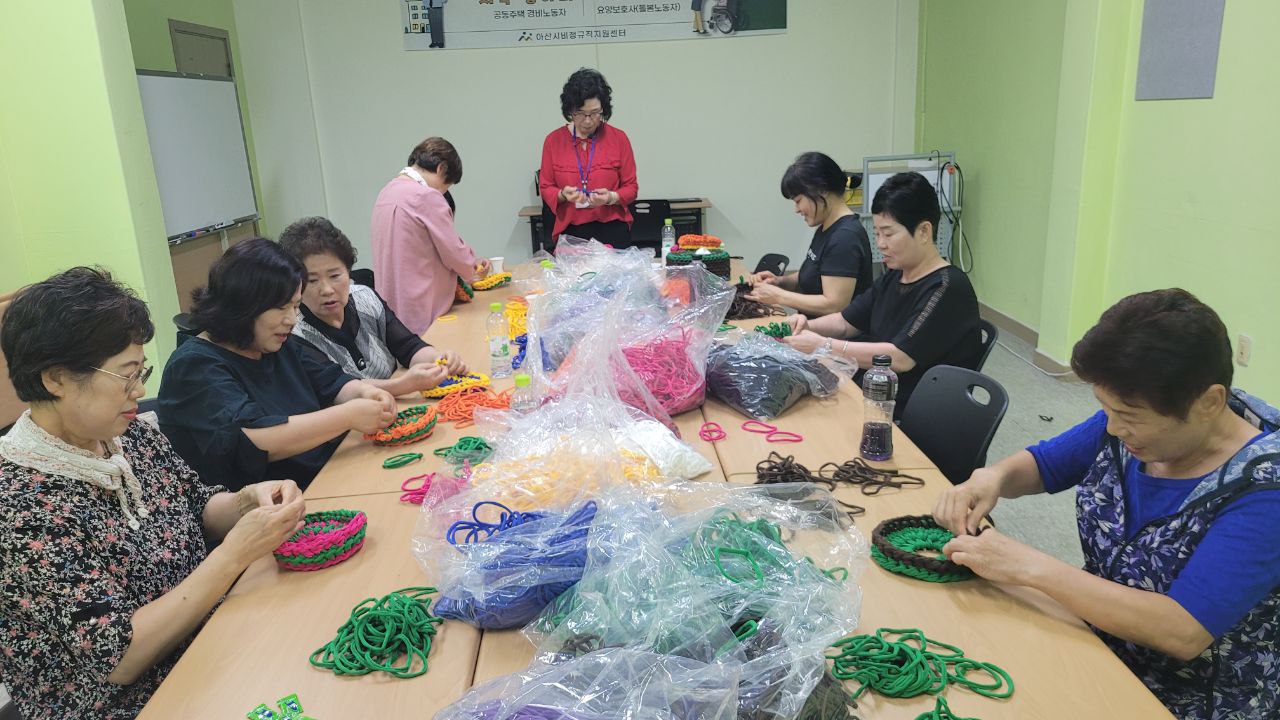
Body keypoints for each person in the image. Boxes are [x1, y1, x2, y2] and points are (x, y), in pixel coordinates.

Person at [934, 289, 1280, 720]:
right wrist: (993, 478)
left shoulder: (1265, 490)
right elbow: (1044, 465)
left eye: (1128, 415)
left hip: (1185, 698)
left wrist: (1028, 566)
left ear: (1209, 402)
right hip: (1092, 638)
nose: (1113, 427)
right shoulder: (1127, 420)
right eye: (1105, 408)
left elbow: (1183, 630)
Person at [0, 267, 307, 720]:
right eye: (126, 375)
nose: (141, 392)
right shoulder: (20, 502)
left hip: (210, 645)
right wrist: (234, 556)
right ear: (56, 379)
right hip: (133, 702)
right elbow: (121, 658)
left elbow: (196, 505)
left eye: (140, 371)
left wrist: (246, 501)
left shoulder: (127, 435)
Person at [158, 239, 397, 491]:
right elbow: (255, 439)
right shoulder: (193, 367)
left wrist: (365, 393)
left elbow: (333, 383)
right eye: (282, 307)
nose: (292, 319)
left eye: (295, 306)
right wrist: (349, 415)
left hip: (327, 479)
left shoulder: (276, 344)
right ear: (243, 304)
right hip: (270, 511)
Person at [780, 171, 980, 413]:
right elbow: (846, 322)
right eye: (877, 233)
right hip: (872, 391)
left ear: (924, 232)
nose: (881, 244)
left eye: (888, 233)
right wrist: (807, 326)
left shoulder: (946, 288)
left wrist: (822, 345)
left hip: (911, 410)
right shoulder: (896, 275)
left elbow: (900, 358)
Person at [279, 216, 468, 396]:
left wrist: (438, 360)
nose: (327, 290)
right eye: (312, 281)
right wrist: (404, 385)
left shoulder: (365, 298)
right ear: (295, 285)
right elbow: (340, 388)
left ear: (348, 271)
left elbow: (408, 346)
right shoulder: (295, 334)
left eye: (335, 276)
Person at [371, 136, 490, 334]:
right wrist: (473, 265)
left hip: (390, 308)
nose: (444, 193)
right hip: (423, 309)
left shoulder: (386, 192)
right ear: (441, 169)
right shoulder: (426, 196)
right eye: (447, 187)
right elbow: (454, 253)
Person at [746, 152, 872, 317]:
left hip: (834, 340)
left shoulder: (845, 238)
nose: (796, 209)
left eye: (798, 201)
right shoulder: (826, 227)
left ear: (822, 190)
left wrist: (779, 296)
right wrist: (780, 282)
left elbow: (834, 305)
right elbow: (814, 275)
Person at [539, 68, 639, 249]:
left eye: (594, 113)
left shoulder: (618, 138)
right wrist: (562, 194)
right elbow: (545, 187)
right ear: (570, 110)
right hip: (571, 232)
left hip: (613, 229)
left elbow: (631, 188)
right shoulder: (553, 141)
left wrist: (611, 197)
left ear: (603, 109)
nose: (587, 121)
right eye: (580, 113)